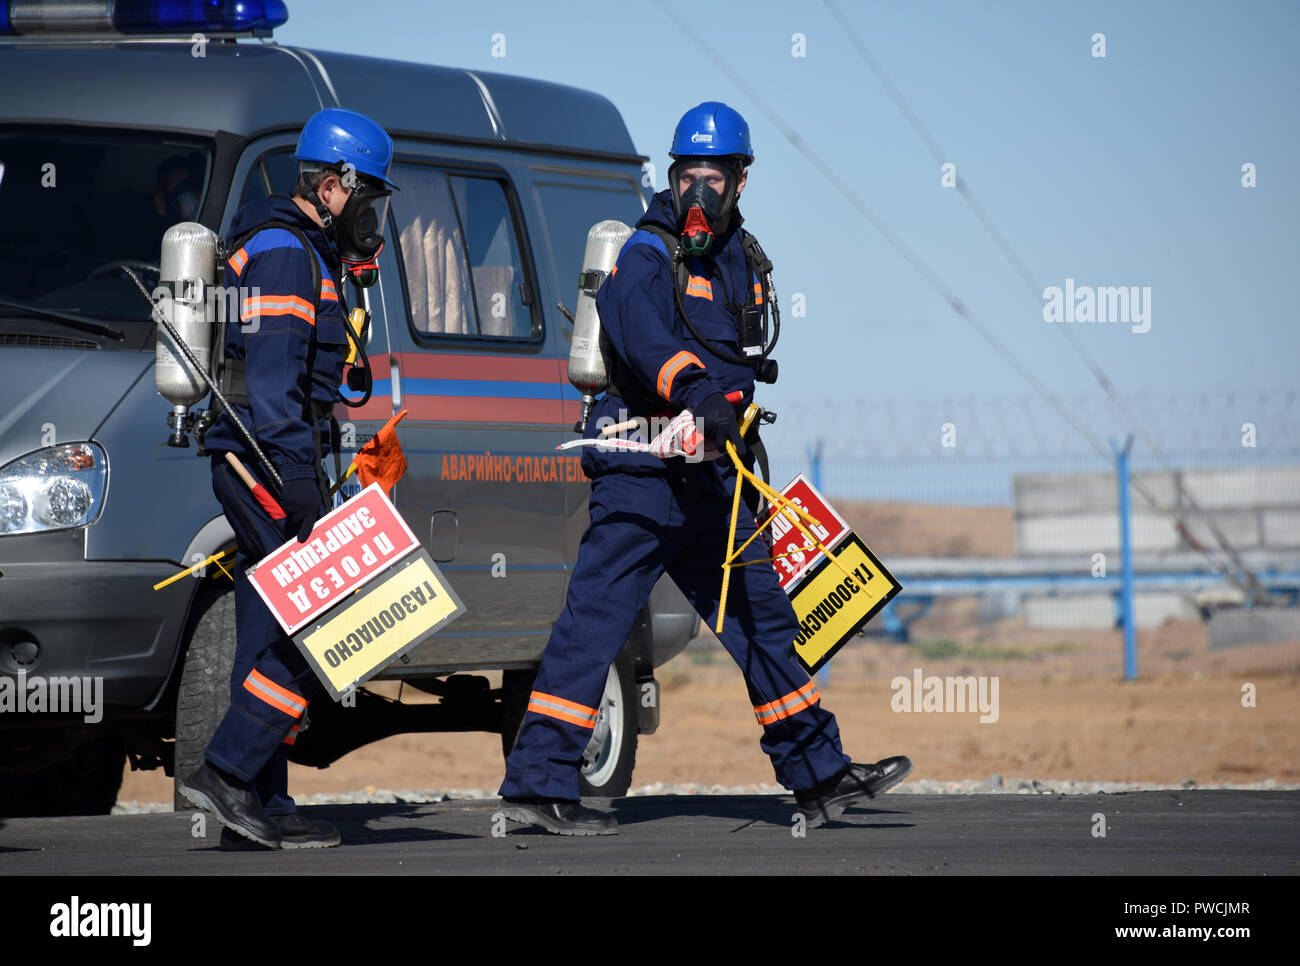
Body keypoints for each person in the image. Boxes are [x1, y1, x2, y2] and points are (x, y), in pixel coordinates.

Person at [498, 102, 911, 834]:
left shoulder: (739, 260)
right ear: (672, 175)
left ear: (741, 181)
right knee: (596, 623)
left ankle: (819, 774)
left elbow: (739, 363)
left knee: (763, 619)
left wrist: (728, 419)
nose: (699, 193)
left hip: (713, 476)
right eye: (688, 176)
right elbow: (645, 334)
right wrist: (696, 390)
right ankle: (536, 787)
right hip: (643, 468)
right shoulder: (646, 254)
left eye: (714, 178)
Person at [177, 108, 397, 850]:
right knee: (324, 621)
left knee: (268, 623)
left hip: (272, 456)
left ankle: (261, 797)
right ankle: (230, 774)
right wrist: (300, 482)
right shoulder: (283, 253)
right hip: (264, 458)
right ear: (333, 186)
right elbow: (271, 386)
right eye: (369, 197)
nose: (373, 217)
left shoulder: (303, 249)